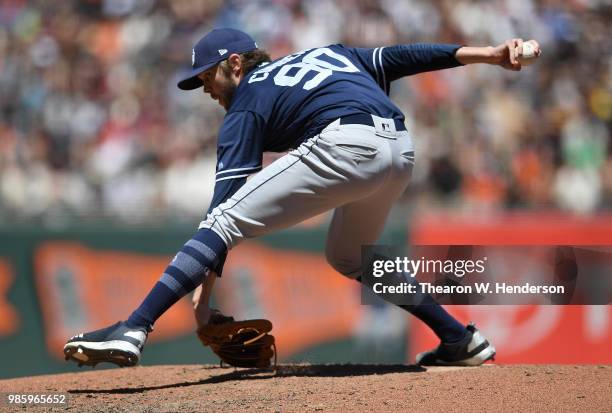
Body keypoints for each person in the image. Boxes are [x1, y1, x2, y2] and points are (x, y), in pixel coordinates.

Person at [64, 28, 541, 368]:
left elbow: (222, 214)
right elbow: (401, 56)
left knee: (223, 221)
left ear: (235, 63)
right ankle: (460, 339)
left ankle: (134, 327)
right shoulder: (327, 53)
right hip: (399, 149)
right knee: (350, 257)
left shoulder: (247, 100)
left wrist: (203, 303)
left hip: (348, 144)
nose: (205, 89)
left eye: (208, 77)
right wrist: (489, 54)